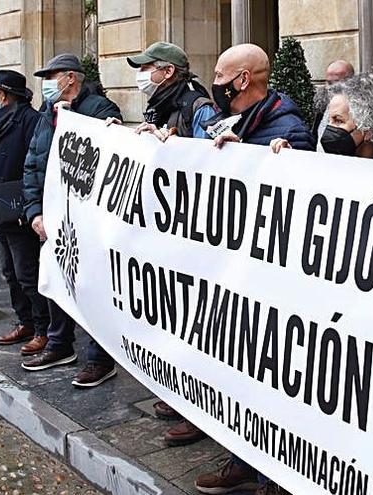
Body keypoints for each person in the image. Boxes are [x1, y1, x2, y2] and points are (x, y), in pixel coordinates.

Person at [195, 43, 313, 495]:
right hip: (236, 271)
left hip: (272, 281)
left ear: (243, 80)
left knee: (271, 381)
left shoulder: (288, 128)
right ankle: (244, 458)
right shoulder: (238, 120)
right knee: (240, 375)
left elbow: (294, 200)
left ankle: (274, 478)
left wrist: (251, 159)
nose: (217, 85)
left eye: (223, 77)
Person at [115, 41, 216, 447]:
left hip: (196, 236)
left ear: (168, 71)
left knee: (198, 326)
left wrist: (172, 144)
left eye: (148, 67)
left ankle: (198, 412)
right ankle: (178, 394)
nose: (143, 74)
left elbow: (216, 157)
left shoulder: (196, 106)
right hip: (170, 231)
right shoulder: (161, 106)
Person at [20, 54, 123, 389]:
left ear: (70, 78)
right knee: (55, 278)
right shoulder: (45, 116)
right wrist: (34, 210)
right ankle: (59, 344)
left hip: (85, 221)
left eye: (51, 76)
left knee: (90, 286)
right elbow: (34, 163)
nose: (47, 83)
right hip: (51, 217)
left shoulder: (99, 110)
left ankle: (99, 359)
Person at [0, 69, 50, 353]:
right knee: (9, 270)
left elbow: (33, 162)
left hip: (17, 205)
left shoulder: (30, 120)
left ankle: (42, 326)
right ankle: (25, 320)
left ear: (5, 94)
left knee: (26, 271)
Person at [271, 72, 373, 161]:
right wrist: (287, 160)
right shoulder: (331, 165)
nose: (329, 128)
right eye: (329, 120)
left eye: (338, 121)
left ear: (368, 130)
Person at [204, 43, 315, 152]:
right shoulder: (219, 123)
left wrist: (288, 154)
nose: (215, 83)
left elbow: (303, 168)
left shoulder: (292, 133)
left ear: (243, 79)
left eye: (219, 75)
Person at [312, 60, 355, 149]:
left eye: (336, 82)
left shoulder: (359, 109)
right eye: (329, 83)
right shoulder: (322, 104)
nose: (331, 88)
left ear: (351, 82)